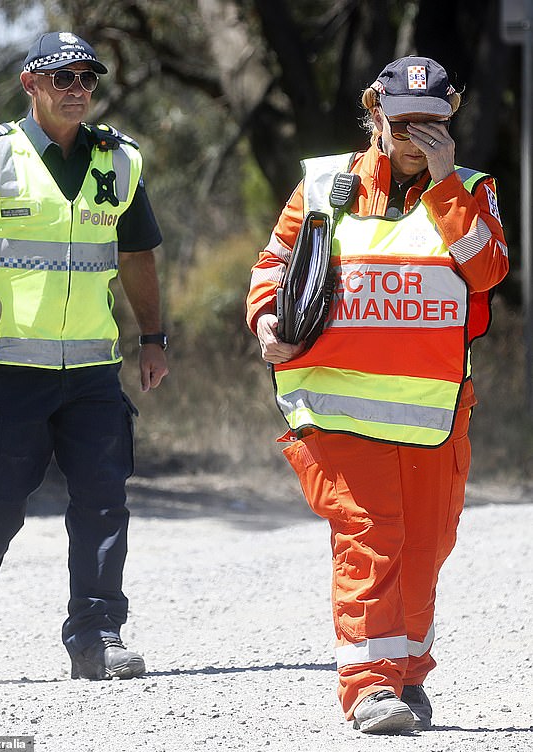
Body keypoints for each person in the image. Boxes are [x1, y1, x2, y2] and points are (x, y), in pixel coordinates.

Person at [246, 56, 508, 734]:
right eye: (405, 122)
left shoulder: (472, 188)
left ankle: (407, 673)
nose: (419, 136)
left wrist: (448, 185)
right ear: (376, 113)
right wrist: (266, 319)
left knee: (426, 547)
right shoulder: (324, 182)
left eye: (434, 124)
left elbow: (486, 272)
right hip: (335, 408)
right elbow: (274, 263)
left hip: (435, 411)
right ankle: (367, 689)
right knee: (370, 539)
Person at [0, 31, 169, 680]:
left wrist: (154, 338)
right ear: (30, 84)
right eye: (63, 79)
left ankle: (96, 637)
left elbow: (138, 255)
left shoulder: (118, 162)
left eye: (88, 79)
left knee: (102, 501)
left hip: (91, 373)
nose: (78, 91)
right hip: (7, 373)